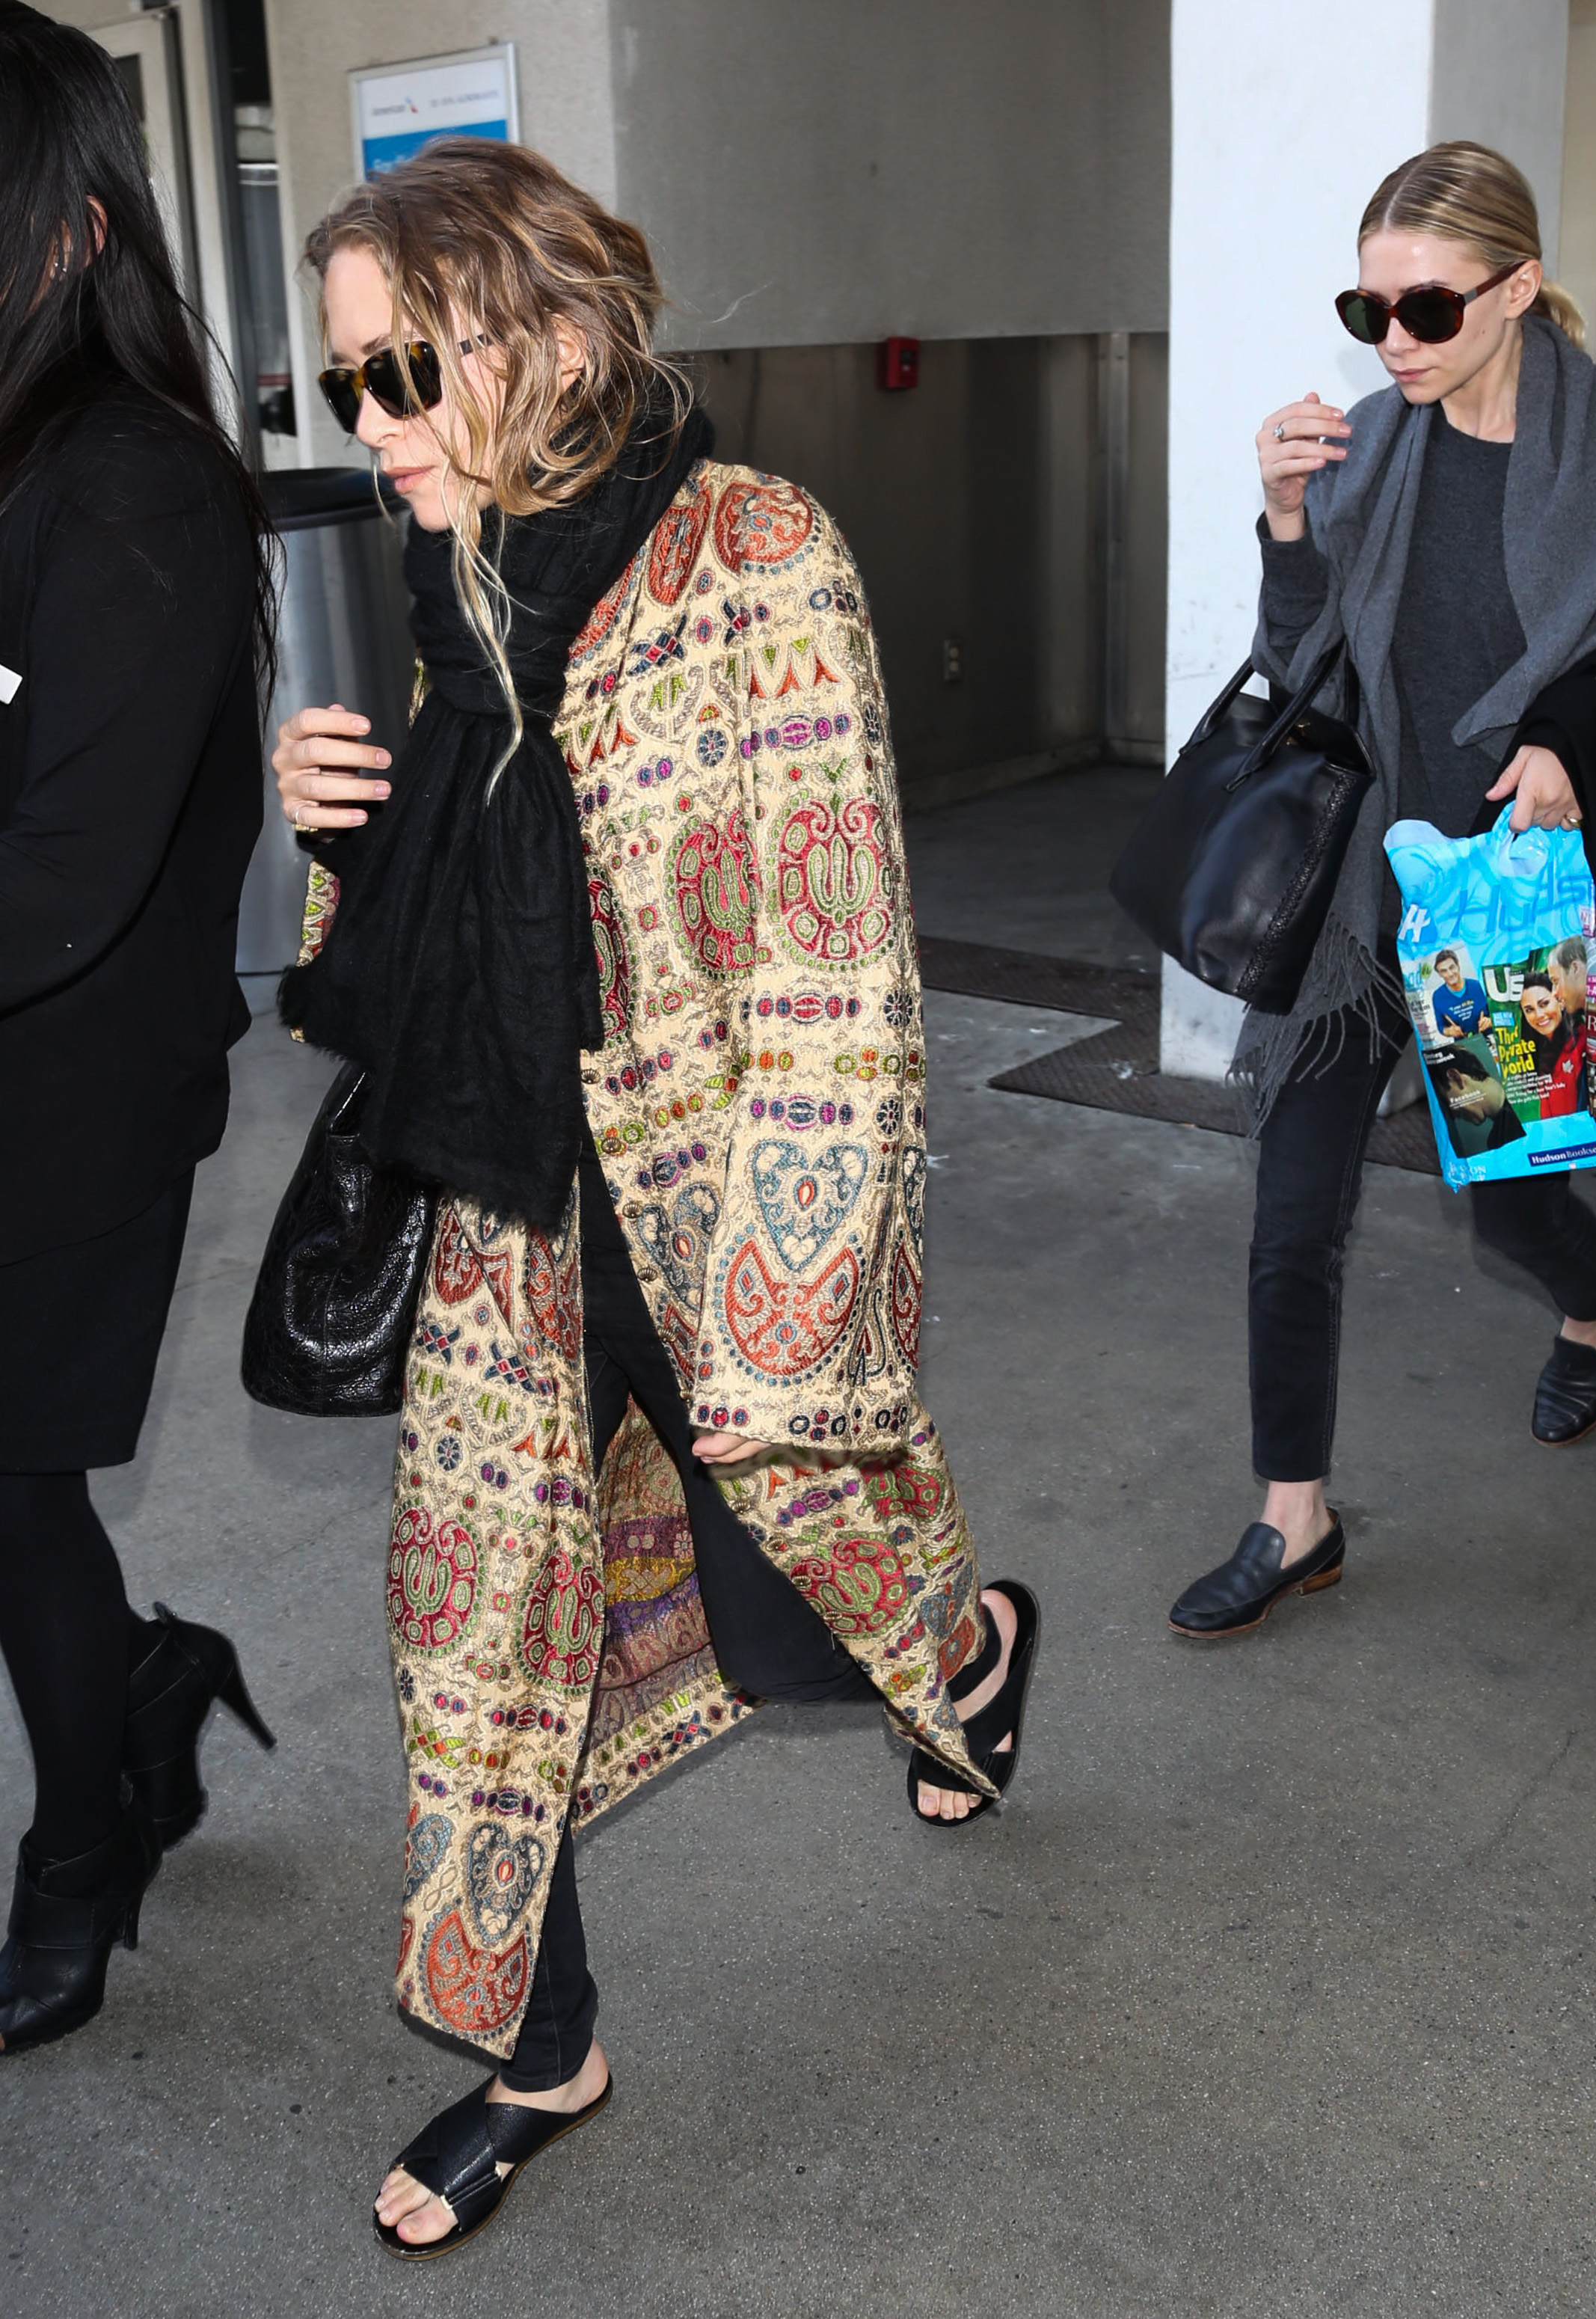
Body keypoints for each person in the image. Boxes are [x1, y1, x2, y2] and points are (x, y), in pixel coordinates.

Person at [268, 139, 1039, 2258]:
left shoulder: (756, 553)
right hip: (512, 1201)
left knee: (832, 1577)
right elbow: (453, 924)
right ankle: (544, 2047)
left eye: (407, 370)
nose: (375, 426)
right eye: (346, 384)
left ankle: (970, 1656)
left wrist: (792, 1313)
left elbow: (836, 952)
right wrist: (339, 821)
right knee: (476, 1625)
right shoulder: (457, 589)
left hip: (719, 1217)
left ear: (560, 334)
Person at [1168, 140, 1596, 1641]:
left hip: (1503, 903)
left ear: (1519, 287)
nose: (1392, 340)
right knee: (1289, 1214)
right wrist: (1281, 521)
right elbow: (1299, 656)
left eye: (1425, 308)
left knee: (1512, 1195)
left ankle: (1593, 1308)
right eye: (1367, 310)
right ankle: (1294, 1520)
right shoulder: (1375, 453)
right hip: (1363, 899)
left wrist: (1573, 742)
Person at [0, 4, 276, 2055]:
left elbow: (65, 872)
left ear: (68, 226)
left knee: (5, 1489)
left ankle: (80, 1850)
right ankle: (148, 1678)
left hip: (73, 1088)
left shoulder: (137, 488)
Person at [1517, 973, 1586, 1118]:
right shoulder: (1538, 1053)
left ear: (1559, 1001)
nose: (1539, 1015)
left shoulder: (1582, 1039)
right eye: (1529, 1010)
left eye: (1544, 1004)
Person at [1429, 949, 1491, 1039]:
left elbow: (1499, 1013)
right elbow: (1441, 1027)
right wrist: (1449, 1031)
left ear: (1458, 966)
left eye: (1452, 967)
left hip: (1490, 1039)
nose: (1450, 974)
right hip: (1464, 1047)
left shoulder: (1478, 986)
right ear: (1439, 974)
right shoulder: (1438, 997)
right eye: (1444, 971)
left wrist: (1490, 1021)